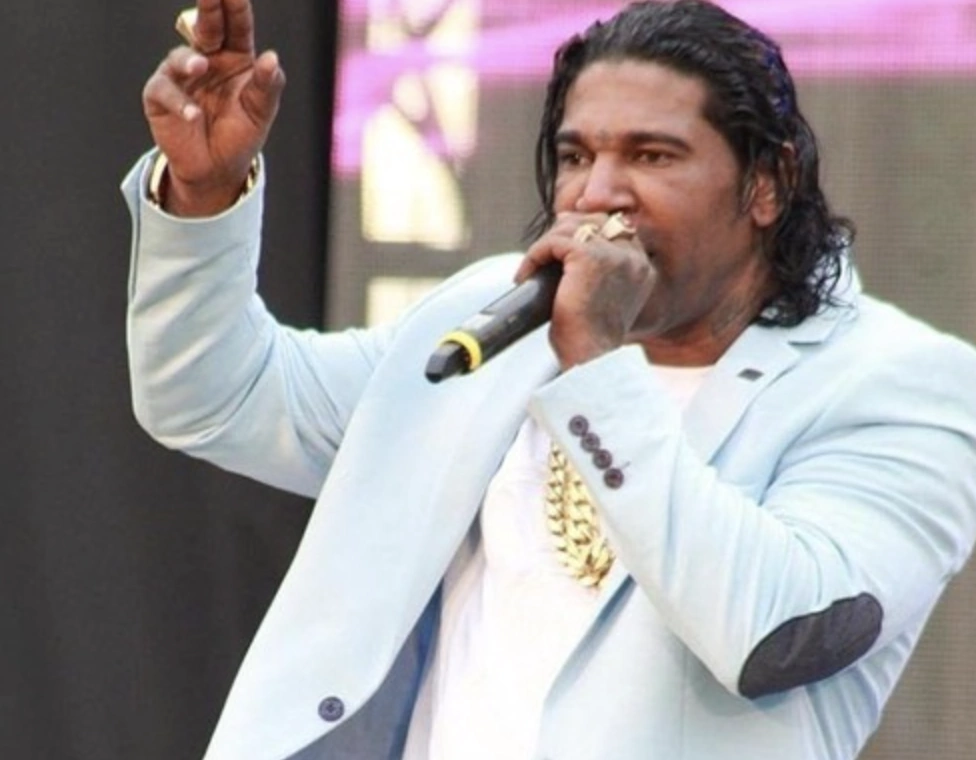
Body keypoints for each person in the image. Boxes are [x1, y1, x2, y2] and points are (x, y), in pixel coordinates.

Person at [123, 0, 976, 758]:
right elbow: (217, 399)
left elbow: (774, 633)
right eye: (575, 156)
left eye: (652, 156)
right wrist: (205, 192)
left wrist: (597, 362)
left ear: (767, 183)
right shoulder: (492, 319)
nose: (598, 195)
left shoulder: (901, 386)